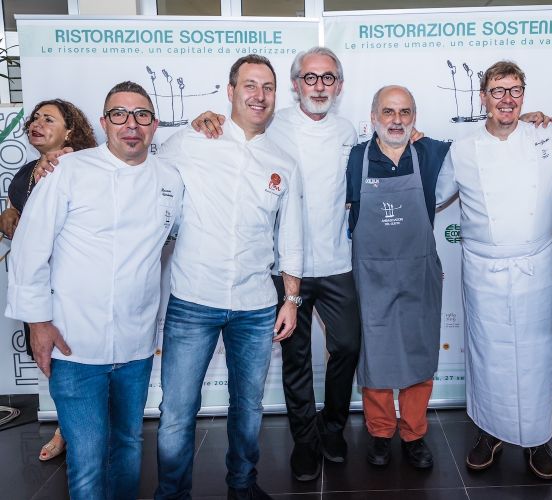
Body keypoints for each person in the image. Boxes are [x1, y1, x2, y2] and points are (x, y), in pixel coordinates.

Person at [5, 81, 183, 500]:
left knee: (127, 444)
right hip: (73, 344)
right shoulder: (69, 170)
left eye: (141, 115)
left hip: (136, 346)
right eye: (119, 114)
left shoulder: (171, 179)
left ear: (155, 124)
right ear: (104, 123)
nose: (131, 124)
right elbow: (31, 250)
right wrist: (38, 323)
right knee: (86, 456)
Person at [191, 47, 361, 483]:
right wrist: (205, 119)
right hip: (285, 267)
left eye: (327, 79)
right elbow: (233, 133)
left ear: (338, 86)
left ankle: (334, 428)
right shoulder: (272, 123)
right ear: (295, 84)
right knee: (296, 358)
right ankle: (306, 442)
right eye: (310, 78)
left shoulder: (350, 132)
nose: (318, 86)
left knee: (345, 347)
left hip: (338, 262)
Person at [154, 55, 304, 500]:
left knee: (249, 408)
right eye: (250, 85)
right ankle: (172, 493)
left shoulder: (283, 160)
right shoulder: (190, 141)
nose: (259, 95)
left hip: (256, 305)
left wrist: (291, 298)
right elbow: (142, 172)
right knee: (178, 412)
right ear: (230, 90)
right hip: (192, 300)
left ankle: (242, 486)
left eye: (268, 87)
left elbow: (291, 235)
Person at [437, 61, 552, 480]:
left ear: (524, 95)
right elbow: (432, 195)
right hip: (482, 269)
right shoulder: (462, 149)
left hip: (534, 265)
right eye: (498, 91)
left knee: (535, 358)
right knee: (487, 357)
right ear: (483, 97)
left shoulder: (551, 135)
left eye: (515, 90)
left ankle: (537, 440)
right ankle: (488, 433)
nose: (507, 99)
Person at [346, 85, 451, 470]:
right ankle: (379, 432)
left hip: (418, 271)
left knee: (419, 353)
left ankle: (414, 433)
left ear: (414, 118)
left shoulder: (433, 153)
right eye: (388, 112)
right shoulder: (355, 158)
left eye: (405, 112)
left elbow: (486, 146)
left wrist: (525, 121)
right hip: (371, 273)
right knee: (375, 356)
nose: (397, 120)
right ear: (373, 117)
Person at [0, 99, 96, 462]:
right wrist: (7, 215)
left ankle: (71, 431)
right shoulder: (25, 172)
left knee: (75, 357)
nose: (37, 123)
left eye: (49, 119)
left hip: (74, 283)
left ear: (70, 131)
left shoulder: (82, 165)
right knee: (46, 356)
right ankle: (68, 428)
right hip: (37, 283)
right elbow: (20, 215)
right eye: (35, 118)